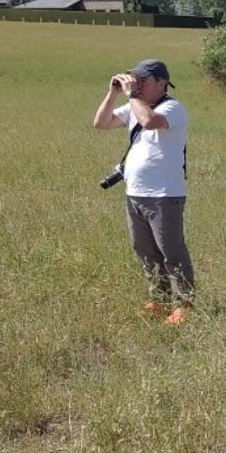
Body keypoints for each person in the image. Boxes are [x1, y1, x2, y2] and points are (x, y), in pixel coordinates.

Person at [93, 59, 194, 325]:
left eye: (142, 80)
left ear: (161, 83)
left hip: (164, 194)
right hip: (136, 193)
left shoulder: (173, 107)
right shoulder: (134, 105)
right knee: (145, 250)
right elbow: (101, 123)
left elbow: (149, 121)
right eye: (134, 79)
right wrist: (113, 93)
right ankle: (159, 299)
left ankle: (184, 305)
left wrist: (131, 95)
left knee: (171, 251)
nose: (136, 84)